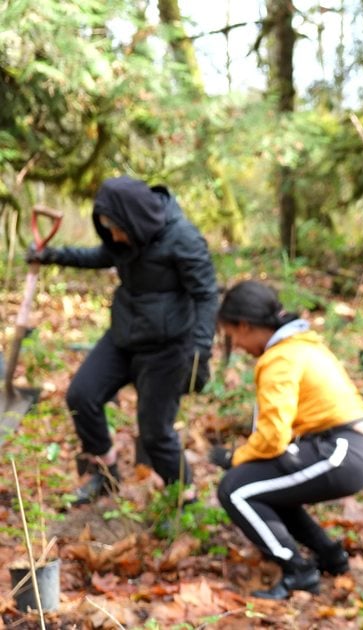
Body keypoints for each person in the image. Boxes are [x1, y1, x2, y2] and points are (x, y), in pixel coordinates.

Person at [25, 176, 218, 506]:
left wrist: (200, 348)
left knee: (156, 433)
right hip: (124, 334)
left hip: (168, 347)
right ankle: (105, 472)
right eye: (108, 229)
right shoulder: (125, 239)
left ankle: (183, 495)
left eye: (117, 228)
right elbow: (103, 255)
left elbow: (205, 294)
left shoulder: (183, 238)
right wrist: (54, 255)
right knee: (81, 395)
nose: (114, 236)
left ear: (135, 219)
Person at [207, 280, 363, 599]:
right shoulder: (300, 344)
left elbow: (272, 437)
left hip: (340, 451)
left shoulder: (280, 358)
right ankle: (330, 556)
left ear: (245, 325)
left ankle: (298, 571)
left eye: (234, 335)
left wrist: (233, 458)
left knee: (236, 489)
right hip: (347, 447)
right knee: (264, 485)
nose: (237, 345)